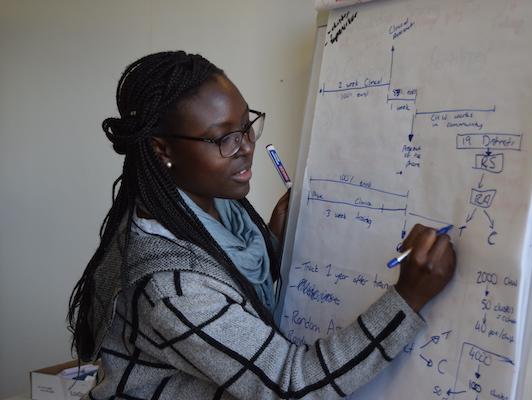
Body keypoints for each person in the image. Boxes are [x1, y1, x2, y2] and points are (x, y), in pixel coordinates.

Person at [67, 51, 456, 399]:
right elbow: (290, 384)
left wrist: (271, 245)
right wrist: (408, 298)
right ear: (162, 149)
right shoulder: (171, 288)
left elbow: (226, 285)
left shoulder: (210, 206)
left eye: (247, 123)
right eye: (224, 138)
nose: (248, 145)